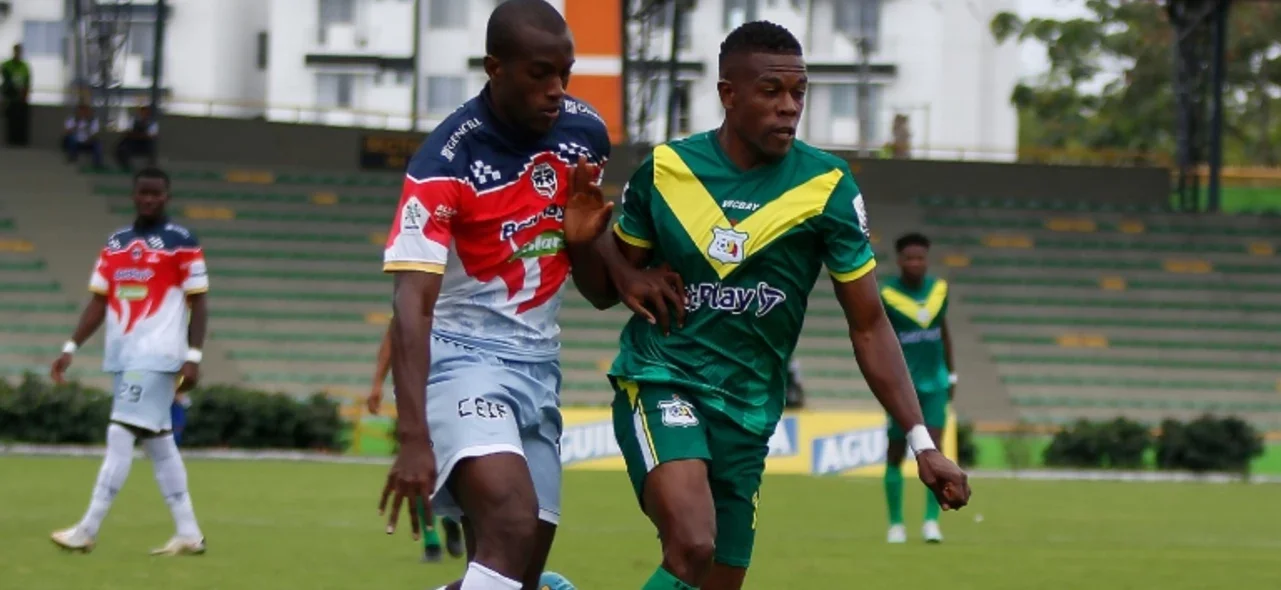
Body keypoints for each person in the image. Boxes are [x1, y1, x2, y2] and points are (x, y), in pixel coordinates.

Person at [572, 21, 972, 590]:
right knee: (693, 544)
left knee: (718, 578)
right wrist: (588, 245)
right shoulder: (666, 170)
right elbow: (602, 293)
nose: (789, 106)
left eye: (798, 92)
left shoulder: (827, 186)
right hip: (664, 379)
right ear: (728, 93)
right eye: (771, 91)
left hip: (750, 409)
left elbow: (868, 325)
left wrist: (922, 443)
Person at [376, 1, 616, 588]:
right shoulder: (444, 162)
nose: (557, 89)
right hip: (461, 362)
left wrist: (589, 245)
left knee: (516, 572)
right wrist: (412, 436)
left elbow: (598, 291)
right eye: (540, 74)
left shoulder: (584, 135)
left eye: (565, 72)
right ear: (495, 68)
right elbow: (411, 305)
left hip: (540, 367)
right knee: (511, 524)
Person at [49, 167, 209, 556]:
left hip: (158, 356)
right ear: (134, 195)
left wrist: (193, 356)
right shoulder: (116, 243)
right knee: (159, 444)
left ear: (167, 196)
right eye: (143, 192)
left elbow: (199, 301)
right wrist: (71, 347)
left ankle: (86, 529)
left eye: (157, 193)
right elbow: (99, 301)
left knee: (120, 434)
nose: (149, 199)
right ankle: (189, 533)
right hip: (124, 356)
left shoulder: (182, 242)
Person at [365, 321, 464, 562]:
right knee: (417, 467)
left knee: (450, 464)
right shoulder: (414, 305)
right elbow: (394, 333)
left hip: (451, 391)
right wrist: (377, 383)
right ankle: (431, 542)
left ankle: (450, 517)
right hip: (415, 397)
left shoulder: (459, 311)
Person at [880, 232, 955, 544]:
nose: (915, 263)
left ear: (927, 260)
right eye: (909, 258)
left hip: (935, 383)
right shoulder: (886, 294)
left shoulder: (939, 290)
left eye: (920, 258)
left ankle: (931, 522)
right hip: (902, 387)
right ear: (899, 260)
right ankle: (896, 524)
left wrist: (952, 374)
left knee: (934, 450)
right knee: (896, 453)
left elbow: (943, 331)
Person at [2, 44, 31, 146]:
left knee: (21, 121)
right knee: (11, 121)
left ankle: (21, 141)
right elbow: (6, 79)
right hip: (11, 98)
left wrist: (24, 94)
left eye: (19, 51)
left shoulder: (24, 66)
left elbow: (27, 82)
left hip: (21, 98)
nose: (17, 53)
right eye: (16, 51)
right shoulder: (7, 65)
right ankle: (11, 141)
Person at [116, 105, 159, 171]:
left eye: (146, 113)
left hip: (145, 144)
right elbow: (128, 133)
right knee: (122, 148)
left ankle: (151, 168)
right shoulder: (133, 121)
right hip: (133, 142)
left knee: (151, 146)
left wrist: (139, 135)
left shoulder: (152, 123)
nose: (144, 115)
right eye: (142, 113)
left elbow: (151, 136)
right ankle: (126, 167)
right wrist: (138, 135)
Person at [64, 103, 104, 168]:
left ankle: (97, 163)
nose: (83, 113)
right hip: (76, 140)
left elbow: (95, 133)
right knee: (71, 138)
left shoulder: (93, 120)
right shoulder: (72, 119)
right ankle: (72, 157)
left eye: (85, 111)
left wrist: (89, 139)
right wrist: (76, 125)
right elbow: (67, 131)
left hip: (88, 141)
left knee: (98, 143)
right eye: (81, 111)